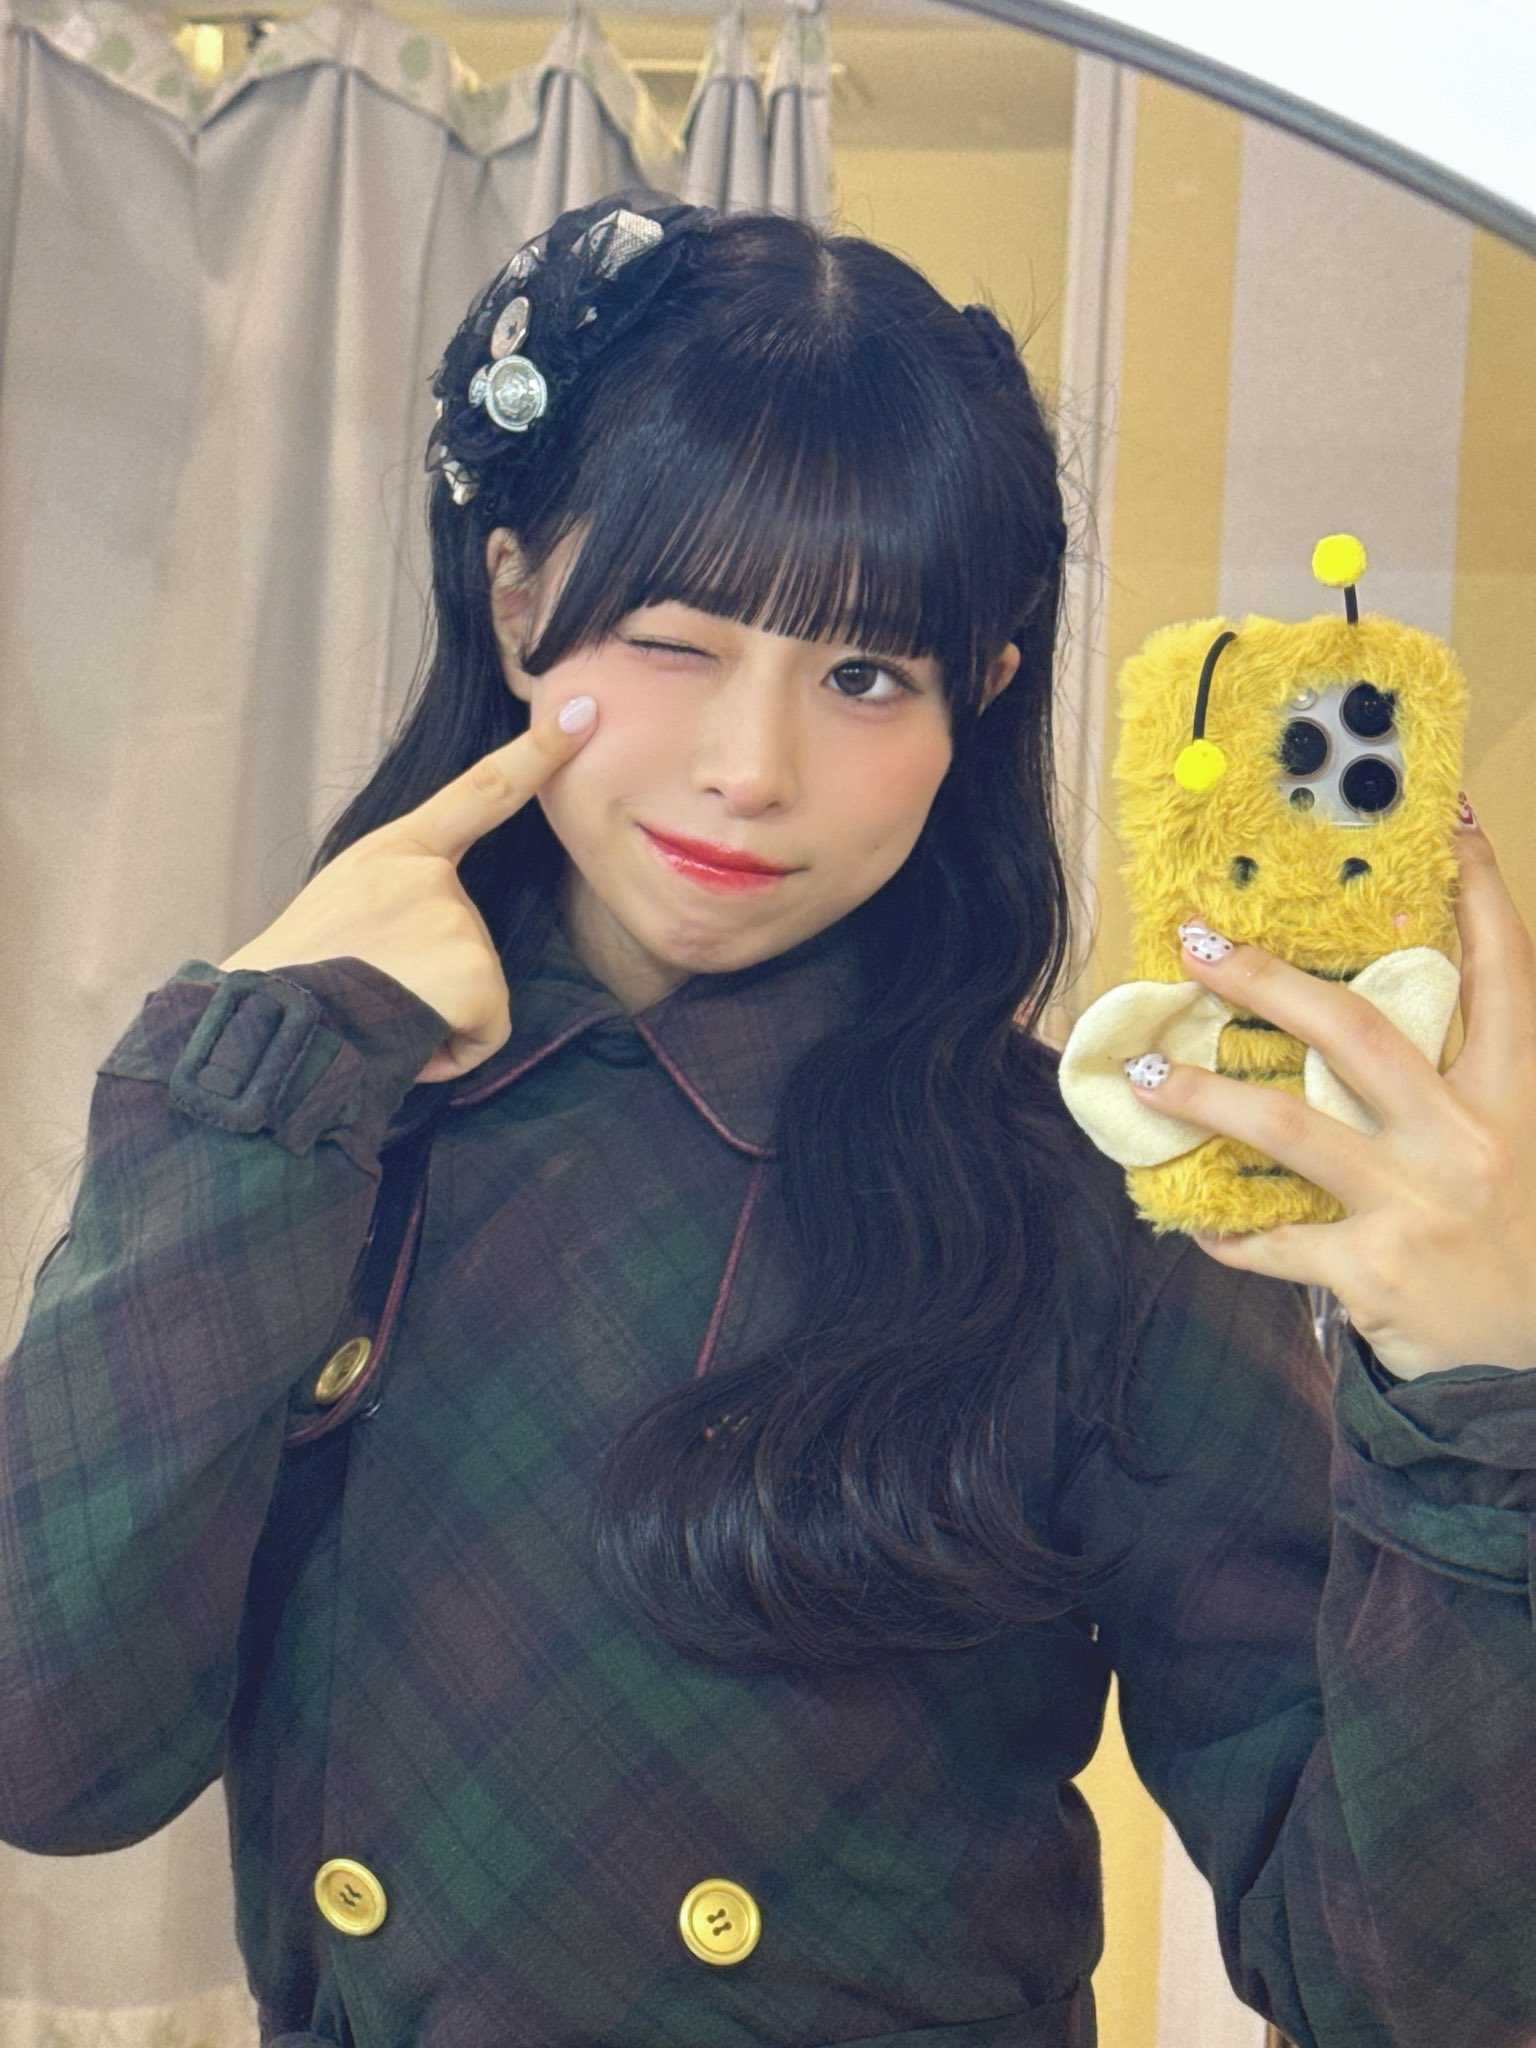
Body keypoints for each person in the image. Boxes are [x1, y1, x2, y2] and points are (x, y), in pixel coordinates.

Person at [1, 192, 1533, 2048]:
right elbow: (49, 1756)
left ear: (980, 697)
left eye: (864, 674)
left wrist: (1476, 1395)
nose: (753, 770)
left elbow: (1413, 1996)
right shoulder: (318, 1125)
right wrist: (250, 1085)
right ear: (515, 600)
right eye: (676, 639)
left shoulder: (1081, 1212)